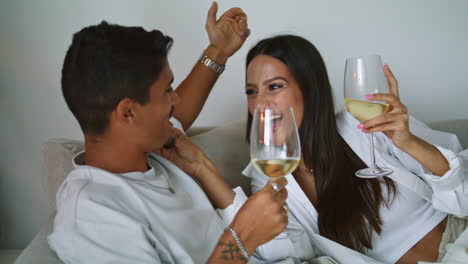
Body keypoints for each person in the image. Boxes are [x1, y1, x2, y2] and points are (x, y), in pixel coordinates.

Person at [47, 4, 291, 264]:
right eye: (167, 90)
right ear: (128, 112)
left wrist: (218, 51)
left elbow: (179, 108)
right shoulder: (92, 215)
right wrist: (242, 238)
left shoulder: (153, 145)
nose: (175, 99)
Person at [241, 34, 468, 264]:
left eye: (275, 86)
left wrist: (408, 142)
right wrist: (203, 168)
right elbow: (281, 253)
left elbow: (463, 190)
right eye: (251, 91)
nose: (259, 103)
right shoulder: (267, 174)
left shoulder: (361, 124)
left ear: (310, 89)